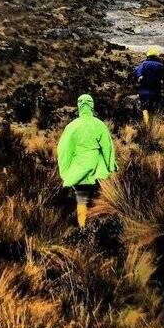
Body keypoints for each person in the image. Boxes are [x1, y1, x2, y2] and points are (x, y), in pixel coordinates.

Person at [56, 94, 117, 228]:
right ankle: (97, 231)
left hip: (78, 171)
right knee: (98, 201)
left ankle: (82, 229)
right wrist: (110, 166)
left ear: (79, 106)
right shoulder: (99, 124)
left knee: (81, 200)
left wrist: (66, 171)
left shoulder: (72, 126)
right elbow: (107, 148)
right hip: (97, 172)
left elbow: (64, 150)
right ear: (92, 105)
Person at [133, 47, 164, 124]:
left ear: (148, 56)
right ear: (157, 56)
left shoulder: (144, 64)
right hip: (156, 90)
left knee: (144, 107)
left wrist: (139, 78)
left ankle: (146, 124)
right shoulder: (160, 65)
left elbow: (137, 72)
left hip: (144, 90)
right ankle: (155, 124)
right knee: (155, 107)